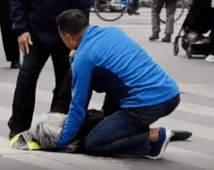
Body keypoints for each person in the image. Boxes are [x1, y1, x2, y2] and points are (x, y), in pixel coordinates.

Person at [54, 9, 180, 159]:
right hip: (170, 93)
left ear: (69, 38)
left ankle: (153, 137)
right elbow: (108, 79)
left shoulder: (84, 57)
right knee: (105, 121)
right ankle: (134, 131)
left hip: (147, 104)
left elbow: (78, 107)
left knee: (94, 144)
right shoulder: (113, 31)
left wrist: (60, 143)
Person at [8, 0, 92, 139]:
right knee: (26, 78)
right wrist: (21, 30)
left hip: (65, 37)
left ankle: (55, 127)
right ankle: (18, 127)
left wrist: (77, 41)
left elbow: (81, 9)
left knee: (65, 85)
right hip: (35, 33)